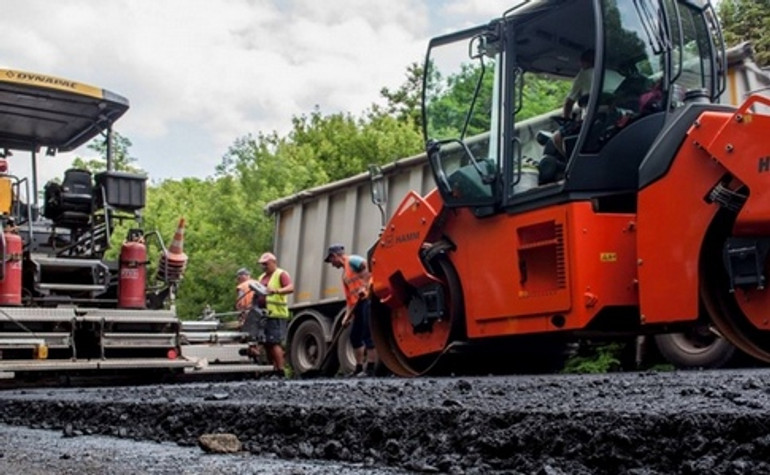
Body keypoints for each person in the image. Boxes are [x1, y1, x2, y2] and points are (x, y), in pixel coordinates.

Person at [539, 49, 624, 184]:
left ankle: (572, 165)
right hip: (618, 118)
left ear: (585, 62)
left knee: (557, 137)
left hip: (595, 119)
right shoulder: (617, 75)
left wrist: (566, 120)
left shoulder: (584, 74)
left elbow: (569, 102)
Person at [324, 244, 377, 377]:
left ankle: (370, 368)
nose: (331, 264)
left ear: (335, 256)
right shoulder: (344, 275)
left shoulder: (353, 261)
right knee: (355, 336)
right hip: (357, 305)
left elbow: (370, 270)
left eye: (331, 260)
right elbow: (349, 299)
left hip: (367, 299)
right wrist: (346, 316)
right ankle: (358, 368)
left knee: (367, 333)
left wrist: (365, 287)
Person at [256, 252, 293, 377]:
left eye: (266, 264)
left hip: (276, 313)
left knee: (274, 342)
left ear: (273, 262)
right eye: (262, 264)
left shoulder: (281, 274)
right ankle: (273, 369)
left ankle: (280, 370)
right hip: (264, 314)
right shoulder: (261, 277)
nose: (264, 267)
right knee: (266, 342)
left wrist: (276, 291)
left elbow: (290, 287)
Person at [235, 267, 261, 360]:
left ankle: (252, 356)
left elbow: (241, 302)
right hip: (259, 314)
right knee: (257, 337)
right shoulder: (258, 283)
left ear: (243, 276)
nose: (238, 280)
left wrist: (240, 315)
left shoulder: (242, 286)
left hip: (247, 314)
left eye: (238, 277)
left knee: (246, 336)